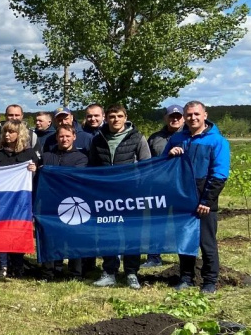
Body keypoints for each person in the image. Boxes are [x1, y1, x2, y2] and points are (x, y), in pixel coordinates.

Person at [166, 101, 230, 294]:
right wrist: (170, 155)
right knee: (184, 240)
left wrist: (207, 201)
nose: (192, 118)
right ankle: (186, 277)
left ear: (205, 115)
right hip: (182, 198)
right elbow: (163, 167)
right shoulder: (177, 139)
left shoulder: (217, 141)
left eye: (196, 114)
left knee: (206, 242)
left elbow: (219, 175)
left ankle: (210, 281)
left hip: (205, 201)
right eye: (189, 115)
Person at [89, 104, 151, 290]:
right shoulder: (98, 139)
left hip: (130, 195)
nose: (115, 120)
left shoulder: (138, 138)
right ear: (106, 118)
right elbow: (92, 167)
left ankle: (131, 272)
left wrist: (138, 188)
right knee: (109, 233)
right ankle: (109, 272)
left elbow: (146, 166)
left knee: (131, 233)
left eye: (119, 116)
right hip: (106, 195)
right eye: (112, 116)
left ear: (126, 117)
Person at [0, 120, 41, 279]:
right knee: (0, 232)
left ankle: (18, 266)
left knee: (17, 232)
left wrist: (34, 170)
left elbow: (36, 179)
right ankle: (2, 266)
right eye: (5, 132)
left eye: (11, 132)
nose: (7, 135)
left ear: (20, 134)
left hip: (20, 202)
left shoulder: (29, 154)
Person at [39, 124, 89, 280]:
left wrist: (51, 173)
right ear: (56, 137)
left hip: (72, 203)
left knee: (74, 238)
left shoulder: (81, 158)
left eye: (68, 136)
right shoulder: (46, 156)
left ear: (74, 137)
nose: (64, 139)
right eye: (61, 136)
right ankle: (49, 272)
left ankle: (76, 273)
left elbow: (75, 178)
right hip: (50, 203)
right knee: (51, 238)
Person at [141, 104, 185, 268]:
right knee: (156, 222)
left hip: (181, 187)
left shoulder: (189, 137)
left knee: (181, 222)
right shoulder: (155, 138)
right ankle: (154, 257)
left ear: (183, 118)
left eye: (178, 116)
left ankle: (184, 256)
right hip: (159, 187)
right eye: (171, 116)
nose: (175, 119)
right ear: (165, 118)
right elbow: (147, 162)